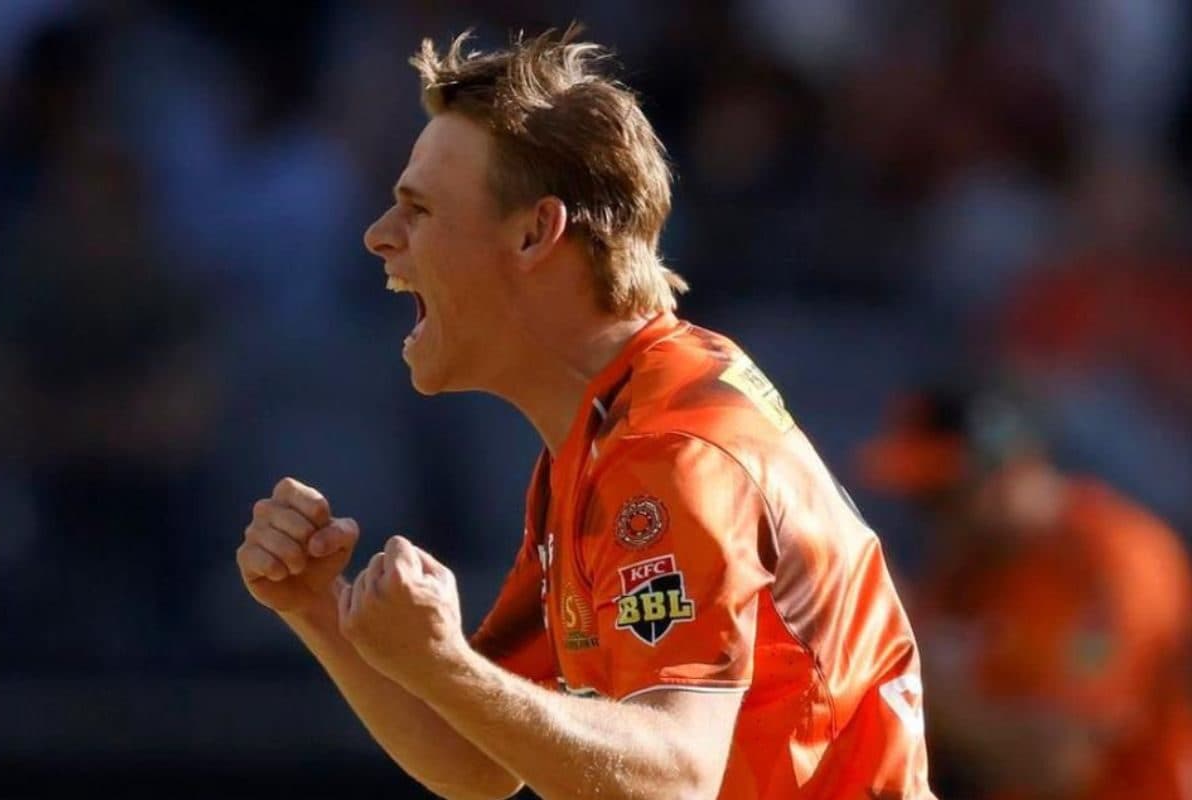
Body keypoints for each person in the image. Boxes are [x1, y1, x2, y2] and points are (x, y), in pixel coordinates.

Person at [235, 28, 935, 800]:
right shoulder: (607, 432)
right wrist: (321, 609)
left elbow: (674, 779)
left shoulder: (671, 450)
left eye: (419, 209)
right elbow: (479, 760)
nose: (378, 237)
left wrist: (446, 665)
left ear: (535, 232)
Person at [857, 382, 1192, 800]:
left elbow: (1060, 761)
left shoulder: (1115, 561)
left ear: (1011, 471)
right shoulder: (968, 568)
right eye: (922, 501)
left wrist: (910, 667)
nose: (936, 518)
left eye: (946, 496)